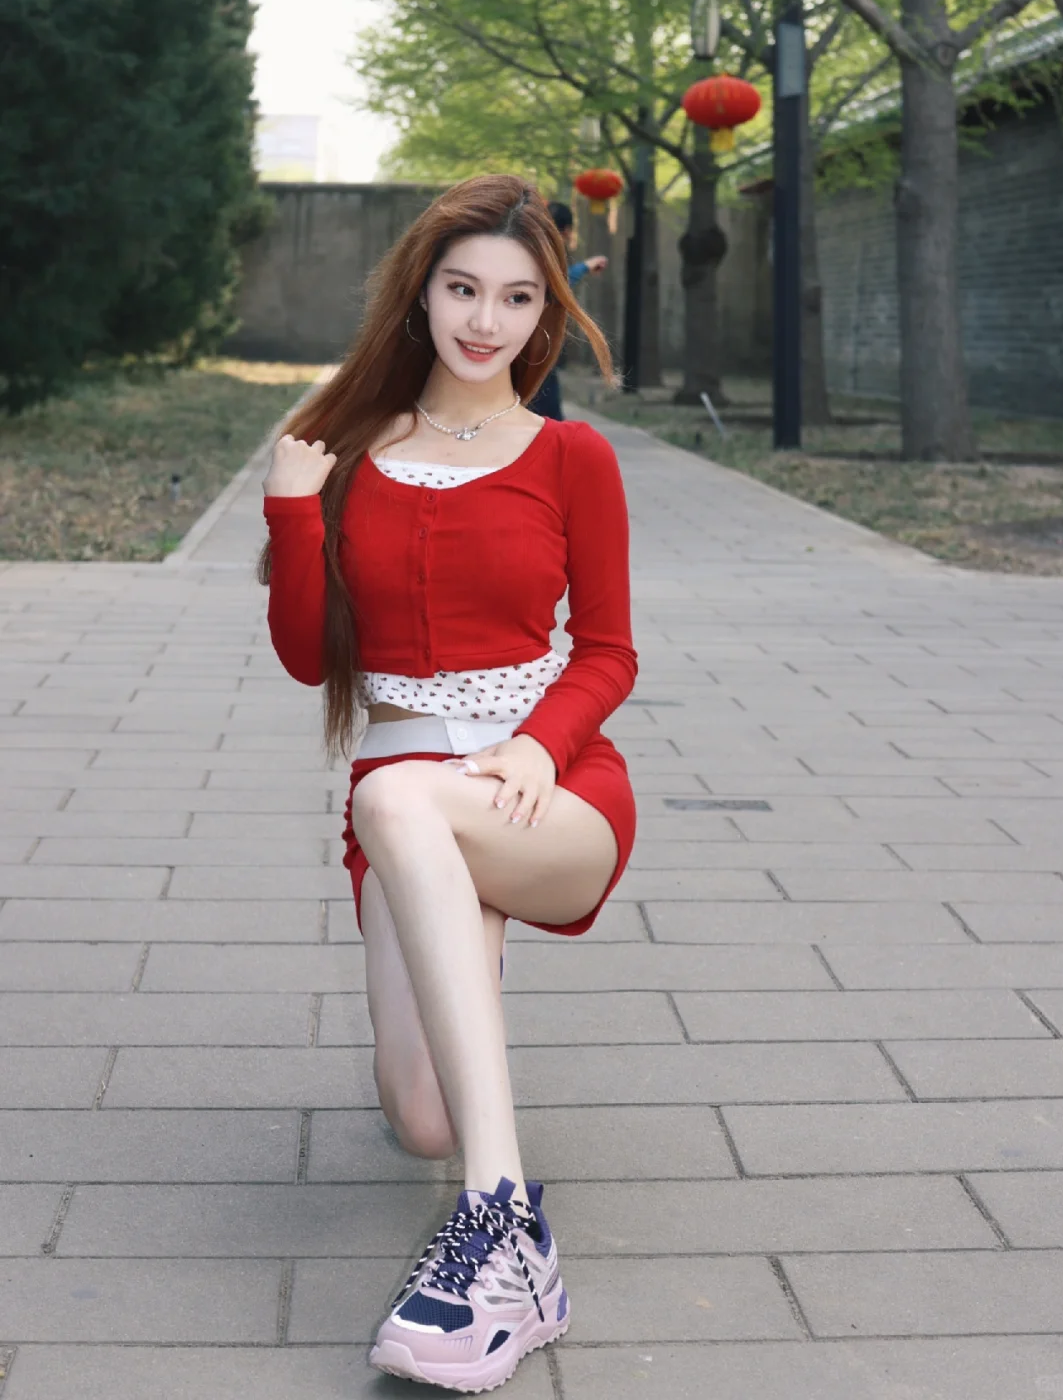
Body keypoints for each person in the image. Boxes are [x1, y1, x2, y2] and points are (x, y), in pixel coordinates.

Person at [259, 174, 636, 1393]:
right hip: (407, 796)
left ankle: (504, 1231)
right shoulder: (350, 452)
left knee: (395, 796)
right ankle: (460, 976)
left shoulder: (572, 456)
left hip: (544, 795)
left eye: (518, 299)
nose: (486, 321)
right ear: (418, 294)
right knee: (418, 1117)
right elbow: (309, 657)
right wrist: (293, 514)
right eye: (464, 289)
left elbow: (611, 651)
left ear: (546, 314)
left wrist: (539, 746)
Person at [528, 199, 608, 421]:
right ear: (566, 231)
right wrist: (585, 267)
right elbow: (556, 285)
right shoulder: (542, 255)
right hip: (536, 347)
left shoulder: (526, 248)